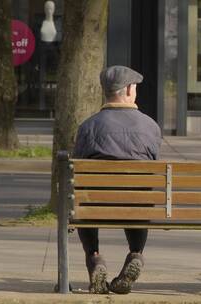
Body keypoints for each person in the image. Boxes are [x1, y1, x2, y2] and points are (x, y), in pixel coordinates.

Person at [73, 66, 162, 294]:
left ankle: (94, 258)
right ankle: (136, 254)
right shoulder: (150, 127)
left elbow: (77, 168)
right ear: (130, 89)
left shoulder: (88, 127)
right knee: (139, 198)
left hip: (95, 205)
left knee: (84, 202)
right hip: (136, 204)